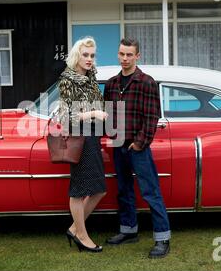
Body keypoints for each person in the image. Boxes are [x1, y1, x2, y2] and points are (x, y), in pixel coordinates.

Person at [104, 38, 171, 258]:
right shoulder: (112, 84)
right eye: (122, 54)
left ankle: (162, 238)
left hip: (138, 146)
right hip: (118, 144)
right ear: (118, 54)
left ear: (137, 56)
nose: (125, 59)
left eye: (129, 55)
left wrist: (139, 143)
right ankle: (128, 230)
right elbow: (109, 114)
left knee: (150, 191)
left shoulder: (146, 82)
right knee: (123, 190)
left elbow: (152, 117)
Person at [56, 36, 108, 252]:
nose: (89, 59)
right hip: (79, 138)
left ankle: (74, 228)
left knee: (99, 189)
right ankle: (82, 236)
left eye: (92, 55)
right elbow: (65, 117)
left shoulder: (91, 77)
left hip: (93, 137)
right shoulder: (67, 79)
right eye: (85, 55)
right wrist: (93, 113)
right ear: (77, 55)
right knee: (78, 190)